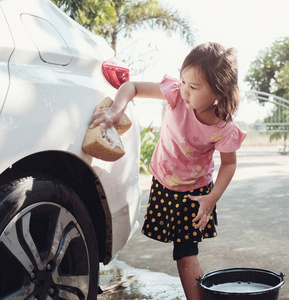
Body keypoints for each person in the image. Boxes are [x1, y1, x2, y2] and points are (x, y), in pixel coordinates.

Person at [91, 42, 246, 299]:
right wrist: (117, 111)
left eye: (193, 87)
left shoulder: (223, 127)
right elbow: (132, 87)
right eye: (183, 80)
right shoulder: (175, 94)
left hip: (195, 193)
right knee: (179, 250)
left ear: (219, 92)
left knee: (185, 253)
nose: (184, 90)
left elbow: (229, 163)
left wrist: (212, 198)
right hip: (164, 183)